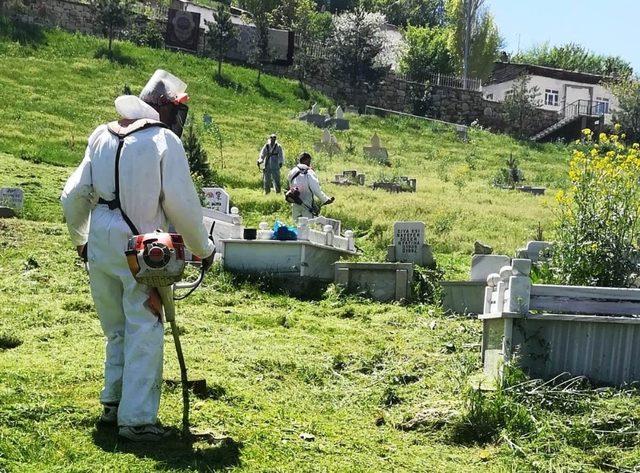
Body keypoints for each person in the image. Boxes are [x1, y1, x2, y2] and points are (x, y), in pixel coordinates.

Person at [60, 70, 215, 442]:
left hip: (99, 244)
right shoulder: (162, 141)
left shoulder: (100, 136)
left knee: (116, 330)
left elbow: (72, 196)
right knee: (144, 328)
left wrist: (80, 238)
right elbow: (182, 206)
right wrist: (203, 249)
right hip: (142, 252)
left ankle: (112, 404)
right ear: (164, 109)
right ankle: (138, 421)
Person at [287, 152, 334, 221]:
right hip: (307, 205)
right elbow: (316, 190)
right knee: (307, 226)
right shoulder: (309, 172)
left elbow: (290, 186)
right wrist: (325, 200)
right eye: (309, 161)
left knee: (296, 225)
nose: (309, 163)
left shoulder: (292, 171)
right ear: (307, 160)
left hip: (295, 203)